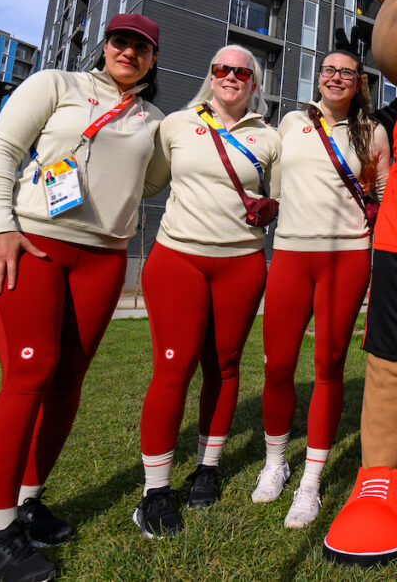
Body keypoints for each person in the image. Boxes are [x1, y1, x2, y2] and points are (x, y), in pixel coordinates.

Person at [0, 14, 164, 582]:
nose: (129, 52)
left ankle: (27, 505)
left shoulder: (150, 118)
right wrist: (0, 227)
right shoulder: (56, 85)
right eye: (121, 41)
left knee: (68, 379)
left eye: (142, 47)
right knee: (31, 372)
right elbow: (2, 151)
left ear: (152, 59)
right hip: (33, 243)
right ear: (104, 46)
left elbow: (149, 183)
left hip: (102, 257)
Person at [133, 45, 280, 537]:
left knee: (224, 365)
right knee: (173, 368)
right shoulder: (176, 124)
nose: (231, 76)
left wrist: (270, 207)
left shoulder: (269, 137)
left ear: (254, 82)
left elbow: (277, 198)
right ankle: (155, 491)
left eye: (242, 71)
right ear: (210, 74)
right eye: (222, 68)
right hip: (179, 258)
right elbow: (148, 183)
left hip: (240, 263)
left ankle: (208, 467)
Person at [255, 48, 390, 528]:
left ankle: (310, 484)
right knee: (278, 366)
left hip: (346, 258)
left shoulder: (373, 133)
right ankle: (275, 463)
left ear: (359, 83)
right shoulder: (290, 123)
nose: (337, 78)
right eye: (329, 70)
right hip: (290, 255)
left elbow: (383, 196)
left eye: (347, 73)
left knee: (329, 365)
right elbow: (268, 178)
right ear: (317, 78)